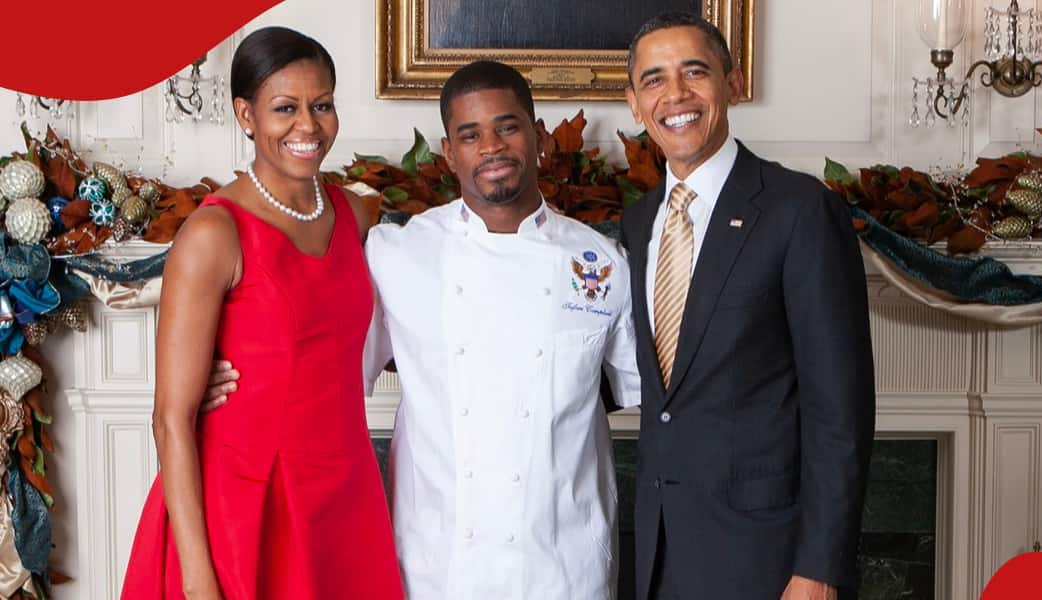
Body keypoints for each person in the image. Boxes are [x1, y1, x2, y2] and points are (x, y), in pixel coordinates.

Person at [205, 60, 641, 599]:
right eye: (470, 134)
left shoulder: (602, 263)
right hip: (439, 564)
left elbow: (637, 393)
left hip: (565, 563)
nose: (491, 147)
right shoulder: (397, 254)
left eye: (507, 126)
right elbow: (318, 351)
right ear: (448, 151)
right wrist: (222, 375)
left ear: (537, 136)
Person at [120, 27, 405, 600]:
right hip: (246, 503)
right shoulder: (213, 233)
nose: (309, 126)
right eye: (285, 108)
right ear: (246, 115)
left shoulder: (357, 213)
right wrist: (200, 581)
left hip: (346, 496)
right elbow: (169, 420)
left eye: (321, 104)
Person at [619, 12, 876, 600]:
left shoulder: (799, 210)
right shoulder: (638, 224)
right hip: (663, 553)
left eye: (695, 71)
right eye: (654, 80)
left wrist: (820, 569)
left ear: (731, 83)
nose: (676, 94)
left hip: (772, 559)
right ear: (635, 104)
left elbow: (841, 410)